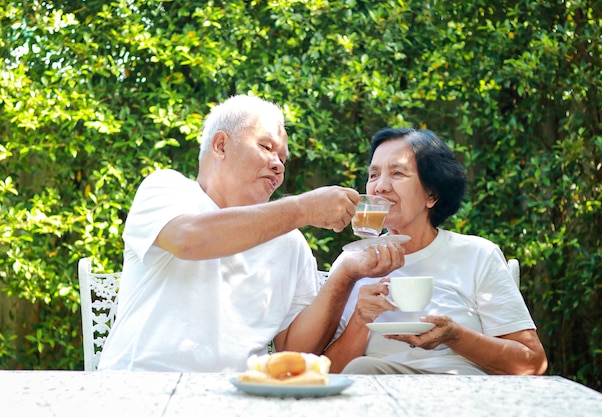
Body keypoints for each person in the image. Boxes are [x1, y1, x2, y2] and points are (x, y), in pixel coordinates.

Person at [98, 95, 405, 372]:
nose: (278, 166)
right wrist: (303, 209)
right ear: (220, 146)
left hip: (238, 399)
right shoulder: (167, 189)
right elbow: (188, 240)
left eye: (283, 159)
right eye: (266, 147)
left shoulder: (290, 242)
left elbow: (296, 349)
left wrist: (346, 274)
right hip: (141, 389)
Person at [324, 127, 548, 375]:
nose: (380, 187)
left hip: (462, 394)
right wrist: (359, 321)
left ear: (432, 194)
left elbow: (533, 363)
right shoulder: (352, 264)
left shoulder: (477, 255)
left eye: (397, 173)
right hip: (377, 395)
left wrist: (455, 336)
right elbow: (325, 374)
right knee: (362, 368)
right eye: (374, 175)